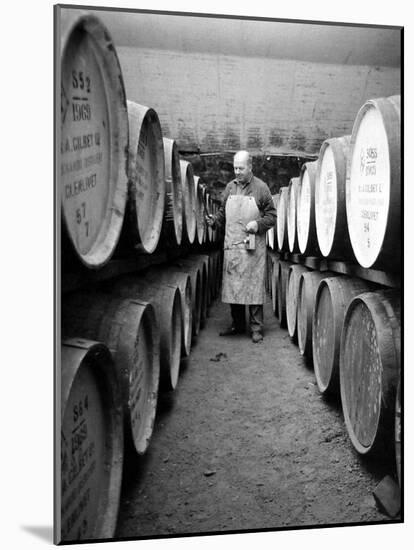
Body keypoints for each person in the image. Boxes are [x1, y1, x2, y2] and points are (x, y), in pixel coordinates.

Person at [206, 151, 277, 343]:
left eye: (241, 168)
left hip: (252, 246)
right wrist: (214, 222)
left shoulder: (261, 188)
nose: (237, 172)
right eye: (235, 168)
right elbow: (223, 214)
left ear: (250, 167)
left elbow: (272, 217)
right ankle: (237, 324)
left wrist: (258, 224)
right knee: (234, 287)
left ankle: (256, 328)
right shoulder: (229, 187)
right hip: (233, 245)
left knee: (253, 286)